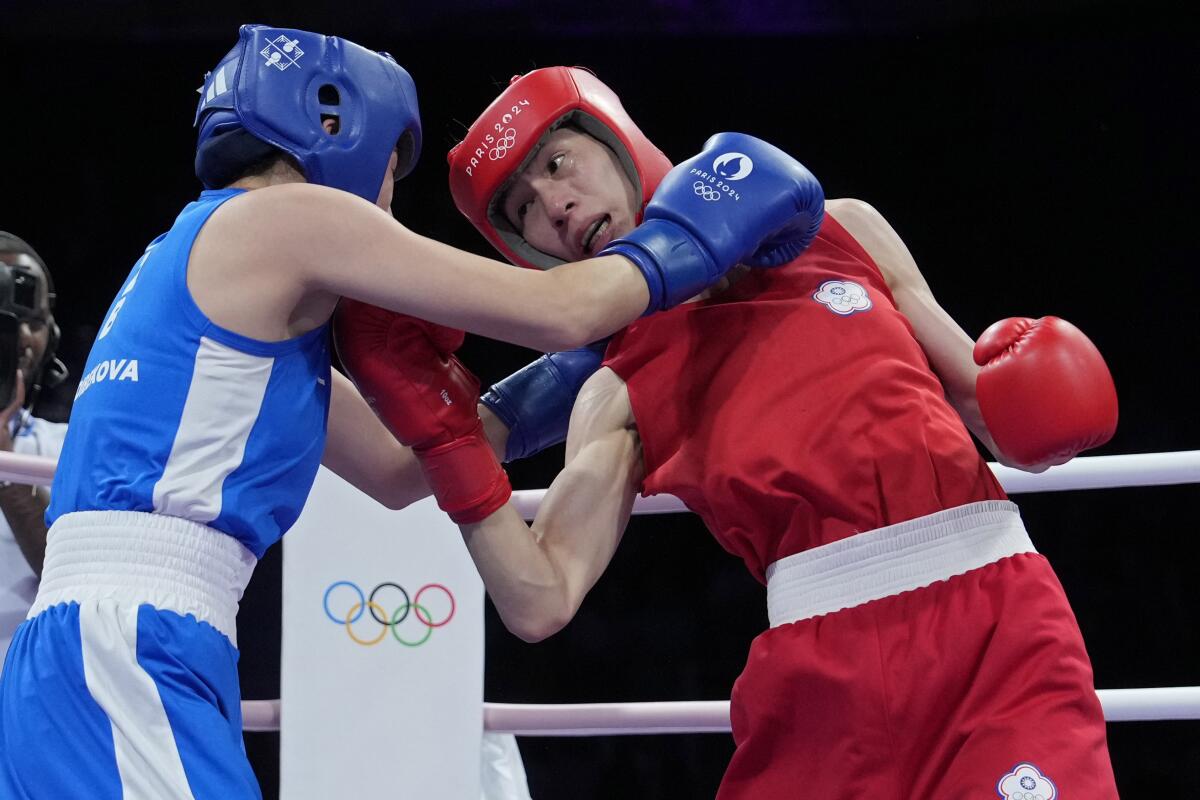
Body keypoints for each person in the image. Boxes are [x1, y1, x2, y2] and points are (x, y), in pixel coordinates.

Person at [0, 24, 823, 799]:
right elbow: (564, 307)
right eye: (392, 168)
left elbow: (398, 472)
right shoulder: (289, 219)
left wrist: (554, 383)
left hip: (118, 644)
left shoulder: (208, 264)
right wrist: (696, 227)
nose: (387, 198)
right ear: (337, 124)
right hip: (128, 645)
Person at [340, 66, 1122, 798]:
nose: (555, 207)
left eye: (556, 164)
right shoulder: (616, 383)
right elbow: (538, 599)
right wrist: (449, 441)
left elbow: (997, 419)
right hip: (820, 677)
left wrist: (1039, 390)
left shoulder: (842, 231)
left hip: (996, 626)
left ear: (615, 134)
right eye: (522, 212)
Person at [0, 232, 69, 668]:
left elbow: (73, 577)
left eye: (35, 320)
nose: (22, 336)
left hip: (26, 717)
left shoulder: (69, 445)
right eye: (4, 320)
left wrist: (7, 470)